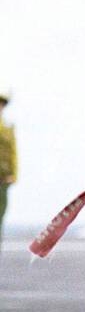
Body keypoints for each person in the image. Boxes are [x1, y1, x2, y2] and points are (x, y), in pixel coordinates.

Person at [0, 88, 16, 251]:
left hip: (3, 180)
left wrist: (14, 175)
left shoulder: (8, 127)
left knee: (0, 214)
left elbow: (13, 153)